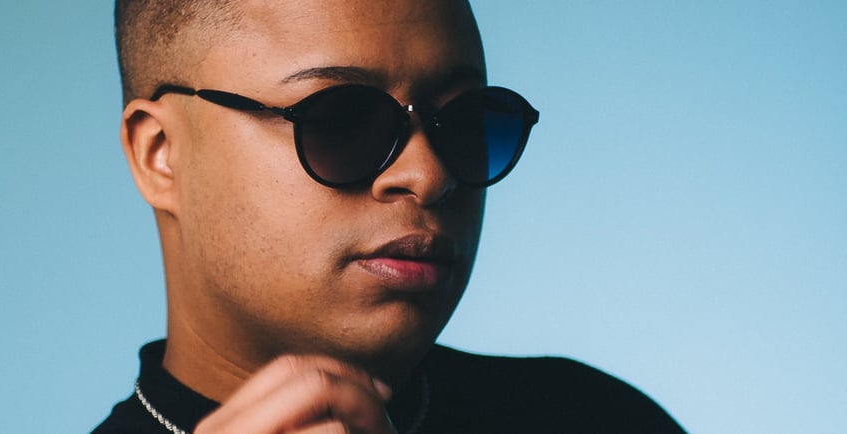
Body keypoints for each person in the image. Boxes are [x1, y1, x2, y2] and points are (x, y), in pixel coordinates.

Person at [95, 0, 684, 432]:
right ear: (160, 155)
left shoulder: (595, 418)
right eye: (341, 121)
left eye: (466, 121)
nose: (429, 175)